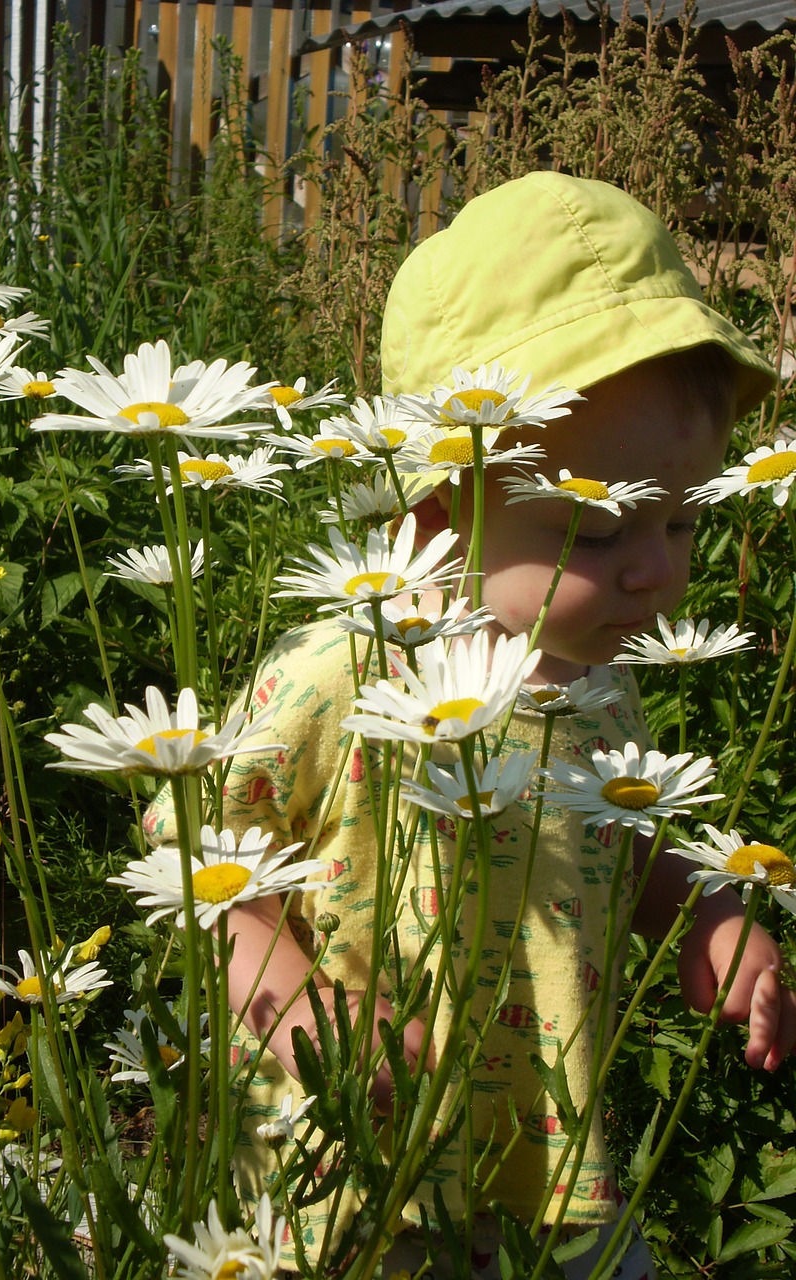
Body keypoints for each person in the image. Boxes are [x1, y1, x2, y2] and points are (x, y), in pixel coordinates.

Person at [143, 172, 796, 1277]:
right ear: (439, 513)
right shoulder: (342, 669)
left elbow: (624, 837)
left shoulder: (602, 680)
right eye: (594, 533)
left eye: (681, 519)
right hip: (354, 1165)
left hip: (550, 1169)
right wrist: (304, 1011)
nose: (653, 570)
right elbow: (199, 854)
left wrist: (710, 913)